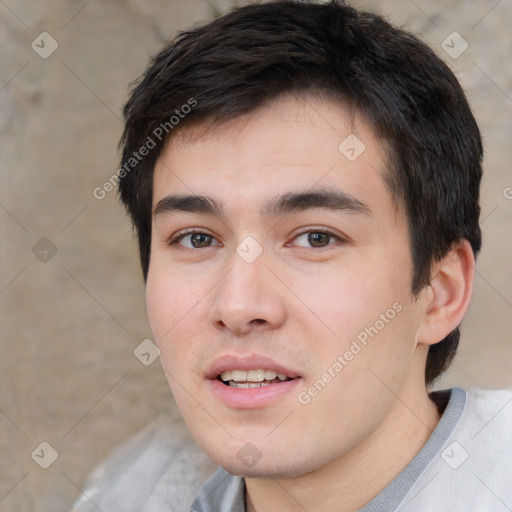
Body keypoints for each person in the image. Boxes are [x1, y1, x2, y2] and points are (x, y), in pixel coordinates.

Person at [73, 1, 512, 511]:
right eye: (197, 238)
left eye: (316, 238)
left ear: (439, 292)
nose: (238, 306)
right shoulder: (125, 496)